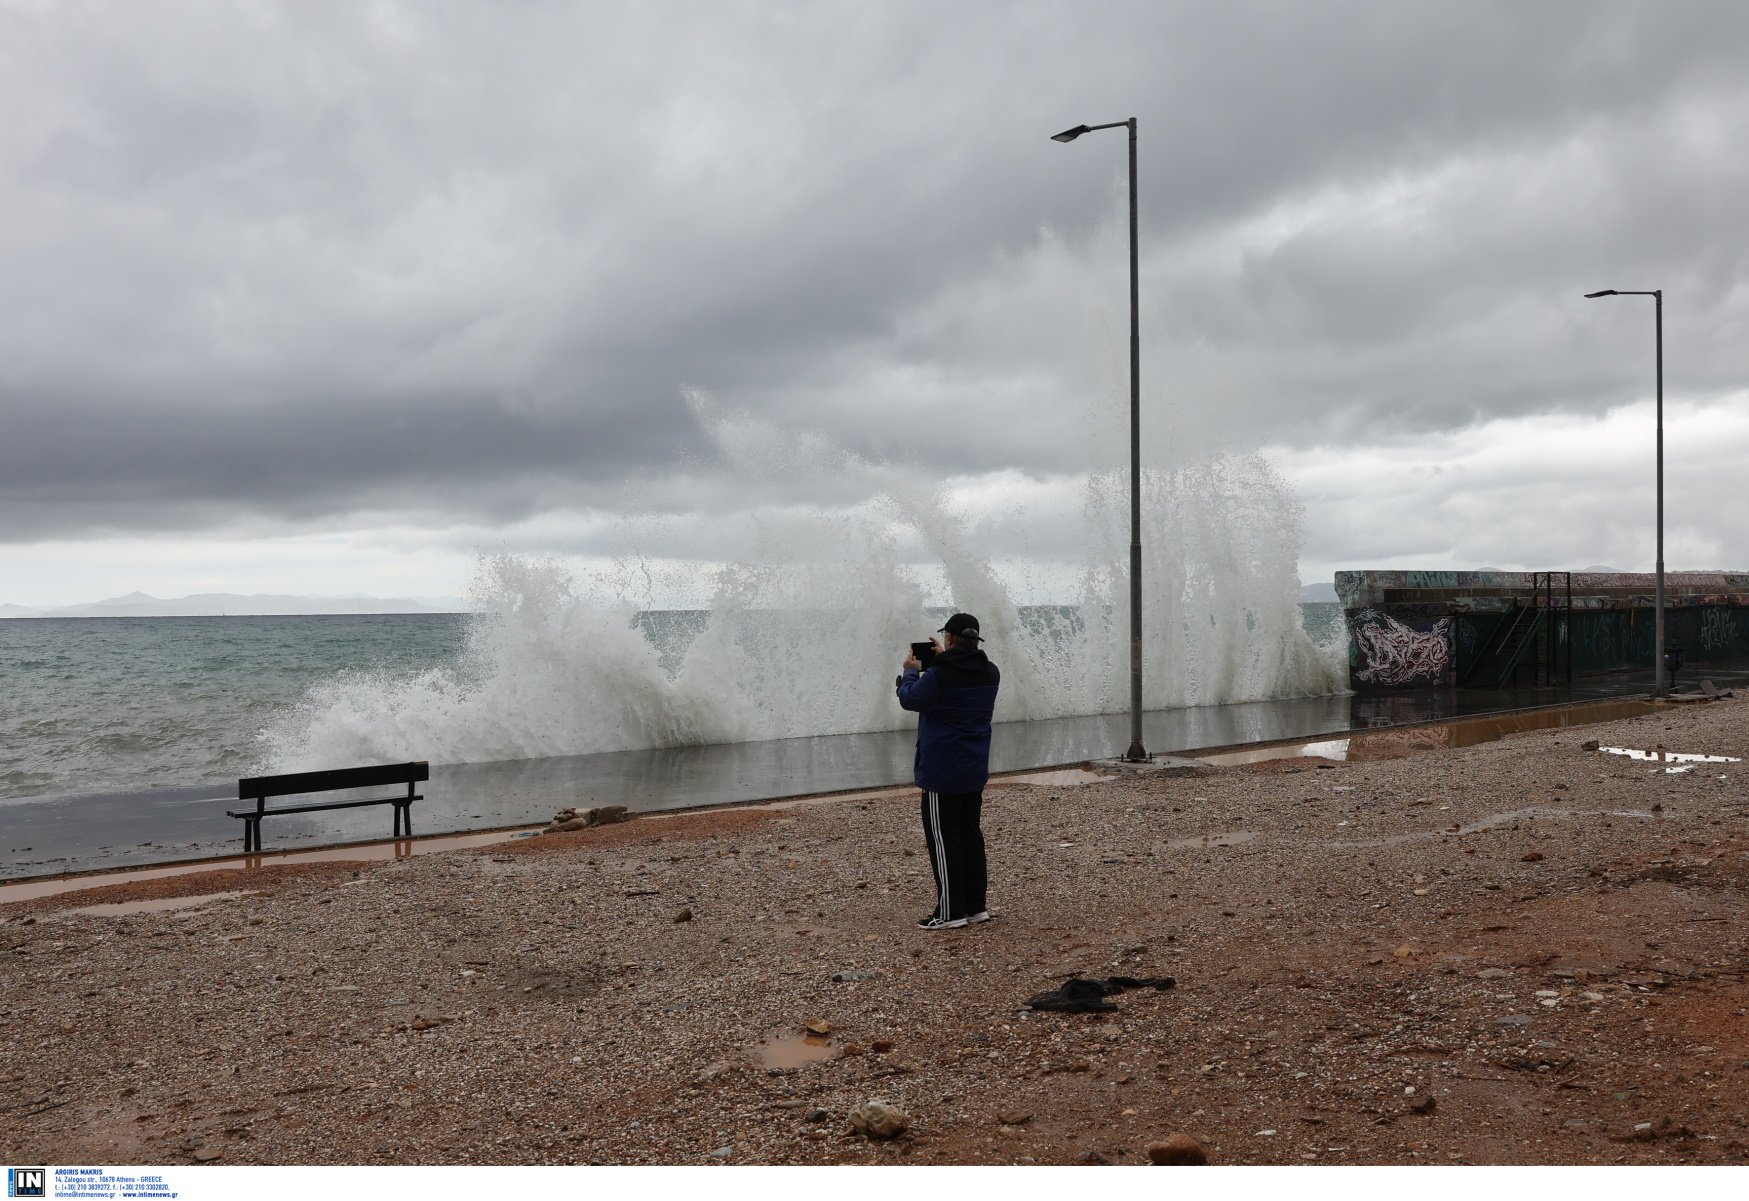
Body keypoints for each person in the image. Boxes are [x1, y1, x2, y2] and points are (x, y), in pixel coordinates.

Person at [896, 612, 1000, 930]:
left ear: (950, 639)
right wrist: (943, 662)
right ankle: (975, 907)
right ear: (975, 640)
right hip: (973, 768)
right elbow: (956, 683)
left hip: (943, 771)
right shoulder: (991, 672)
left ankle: (950, 913)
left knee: (944, 841)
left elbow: (911, 700)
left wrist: (910, 674)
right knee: (970, 836)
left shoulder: (938, 675)